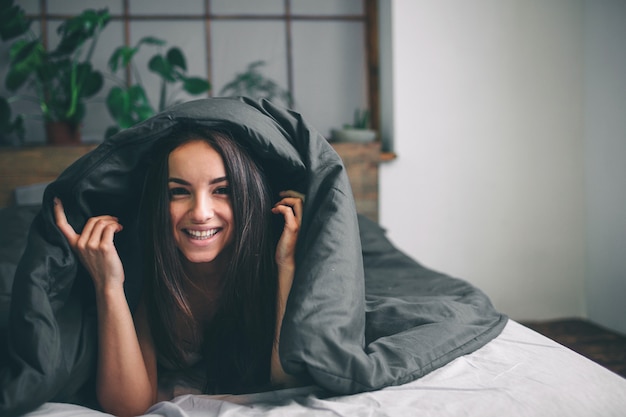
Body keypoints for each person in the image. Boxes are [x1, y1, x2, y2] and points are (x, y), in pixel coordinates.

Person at [53, 127, 304, 417]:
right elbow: (127, 405)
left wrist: (287, 266)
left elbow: (287, 381)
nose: (200, 212)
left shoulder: (271, 264)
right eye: (179, 192)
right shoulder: (153, 273)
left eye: (222, 190)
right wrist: (108, 284)